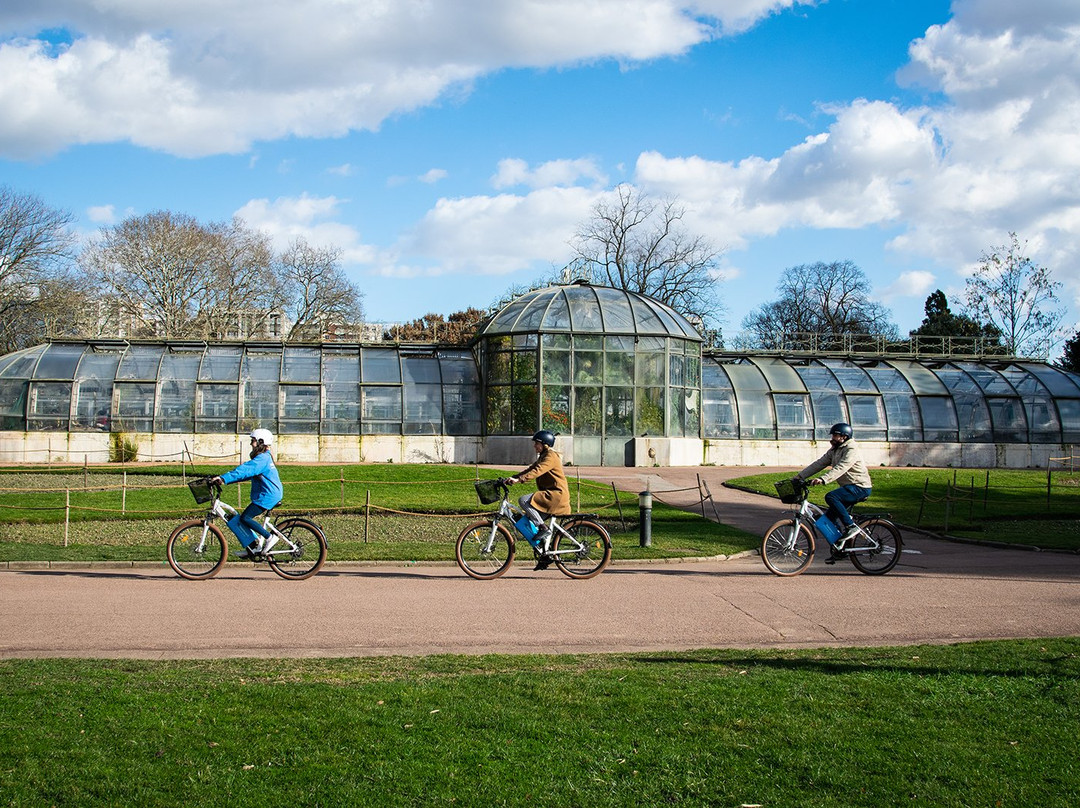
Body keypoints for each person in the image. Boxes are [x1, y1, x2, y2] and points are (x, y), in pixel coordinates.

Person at [797, 422, 872, 558]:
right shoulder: (835, 450)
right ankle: (841, 549)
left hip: (860, 487)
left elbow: (842, 467)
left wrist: (823, 479)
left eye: (835, 435)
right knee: (827, 520)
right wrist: (799, 477)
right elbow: (819, 463)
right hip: (849, 487)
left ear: (844, 437)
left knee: (831, 497)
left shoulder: (851, 449)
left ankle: (850, 526)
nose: (832, 438)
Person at [211, 428, 283, 560]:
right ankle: (253, 547)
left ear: (261, 442)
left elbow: (245, 470)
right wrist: (225, 480)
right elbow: (246, 475)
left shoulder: (261, 459)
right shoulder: (264, 457)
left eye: (253, 441)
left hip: (268, 496)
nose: (251, 444)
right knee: (243, 518)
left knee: (245, 518)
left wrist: (224, 478)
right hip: (268, 494)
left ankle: (270, 537)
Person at [504, 430, 571, 570]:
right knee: (529, 522)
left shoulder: (550, 457)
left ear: (545, 444)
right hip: (551, 495)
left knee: (524, 500)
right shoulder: (544, 456)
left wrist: (519, 480)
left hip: (556, 495)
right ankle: (544, 555)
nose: (534, 446)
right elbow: (531, 468)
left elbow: (537, 471)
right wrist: (513, 477)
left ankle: (544, 528)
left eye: (537, 443)